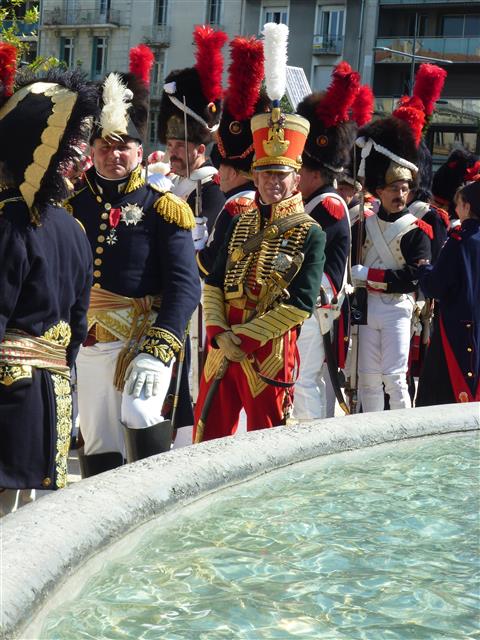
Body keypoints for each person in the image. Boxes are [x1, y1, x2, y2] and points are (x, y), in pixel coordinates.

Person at [192, 22, 326, 442]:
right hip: (222, 349)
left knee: (265, 445)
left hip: (267, 353)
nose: (272, 182)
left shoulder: (311, 232)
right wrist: (218, 333)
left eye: (281, 174)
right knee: (206, 439)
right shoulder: (238, 219)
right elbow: (214, 282)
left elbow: (300, 303)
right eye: (265, 173)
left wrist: (244, 339)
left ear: (296, 177)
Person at [66, 71, 201, 476]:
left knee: (140, 414)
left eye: (123, 146)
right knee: (97, 439)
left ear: (140, 152)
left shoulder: (163, 206)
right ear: (92, 150)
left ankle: (155, 500)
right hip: (89, 341)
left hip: (143, 339)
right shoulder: (71, 204)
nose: (114, 155)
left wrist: (160, 347)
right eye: (105, 146)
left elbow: (184, 286)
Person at [0, 51, 97, 515]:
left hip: (8, 395)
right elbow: (77, 328)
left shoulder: (9, 222)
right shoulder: (74, 229)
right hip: (52, 395)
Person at [292, 62, 360, 420]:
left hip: (319, 307)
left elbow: (301, 250)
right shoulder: (316, 202)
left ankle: (312, 440)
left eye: (298, 171)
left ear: (315, 172)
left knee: (304, 381)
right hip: (312, 306)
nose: (294, 178)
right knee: (306, 380)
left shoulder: (329, 207)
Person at [351, 115, 432, 412]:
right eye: (394, 189)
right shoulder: (363, 225)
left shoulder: (418, 231)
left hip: (396, 308)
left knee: (395, 379)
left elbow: (412, 277)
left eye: (404, 189)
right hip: (367, 306)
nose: (400, 195)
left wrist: (369, 274)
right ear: (380, 191)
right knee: (368, 380)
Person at [197, 34, 266, 278]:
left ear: (235, 171)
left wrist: (195, 246)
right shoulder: (259, 201)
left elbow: (207, 266)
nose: (219, 172)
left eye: (222, 166)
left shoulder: (236, 205)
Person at [158, 26, 227, 249]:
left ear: (200, 150)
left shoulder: (211, 188)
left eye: (180, 145)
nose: (172, 152)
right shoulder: (176, 181)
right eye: (170, 145)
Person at [416, 180, 480, 404]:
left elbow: (436, 286)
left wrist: (424, 269)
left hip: (457, 329)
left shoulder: (459, 240)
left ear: (467, 206)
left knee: (442, 396)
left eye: (459, 204)